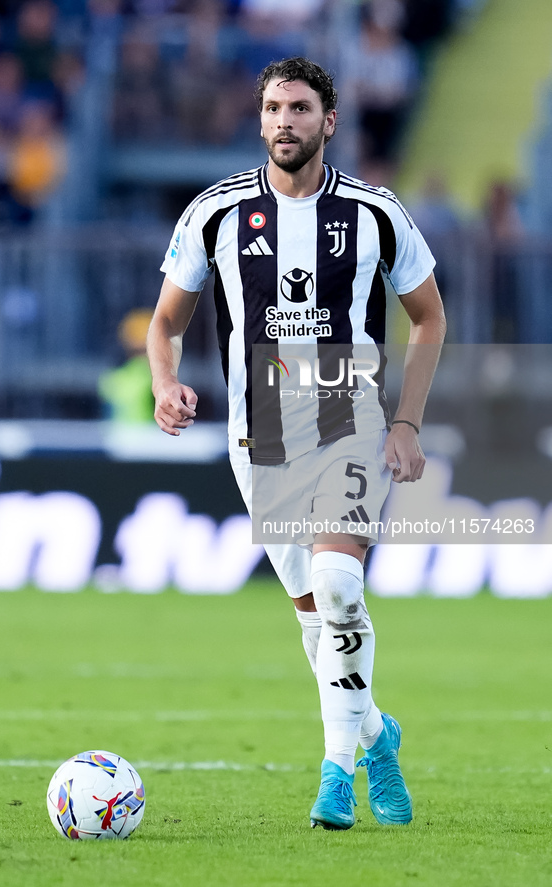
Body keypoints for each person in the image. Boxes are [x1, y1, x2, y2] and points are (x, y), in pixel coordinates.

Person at [147, 56, 446, 831]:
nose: (286, 120)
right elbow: (165, 322)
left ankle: (334, 776)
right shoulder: (213, 212)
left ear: (329, 121)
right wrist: (163, 382)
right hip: (263, 431)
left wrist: (407, 421)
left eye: (301, 108)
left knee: (340, 589)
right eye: (274, 107)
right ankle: (377, 734)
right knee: (316, 616)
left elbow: (428, 317)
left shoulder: (376, 212)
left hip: (348, 414)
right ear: (259, 120)